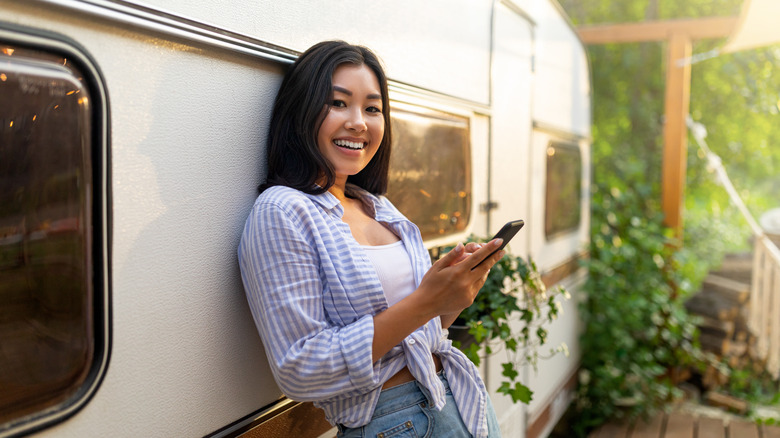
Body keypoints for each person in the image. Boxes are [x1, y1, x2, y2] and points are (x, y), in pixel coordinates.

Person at [238, 40, 504, 438]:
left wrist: (450, 296)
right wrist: (426, 301)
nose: (359, 122)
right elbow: (300, 368)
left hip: (458, 401)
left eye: (373, 108)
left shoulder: (378, 206)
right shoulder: (282, 210)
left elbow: (416, 330)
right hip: (396, 422)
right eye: (338, 103)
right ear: (300, 113)